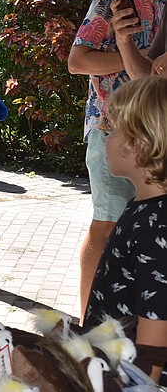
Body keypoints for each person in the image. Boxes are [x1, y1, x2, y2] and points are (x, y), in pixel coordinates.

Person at [68, 0, 167, 321]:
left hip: (155, 133)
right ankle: (89, 321)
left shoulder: (165, 1)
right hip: (113, 134)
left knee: (144, 232)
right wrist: (134, 61)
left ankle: (135, 322)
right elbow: (77, 61)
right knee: (107, 226)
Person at [83, 76, 167, 383]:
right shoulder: (145, 207)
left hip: (128, 378)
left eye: (115, 128)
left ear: (140, 144)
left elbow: (154, 339)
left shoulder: (157, 226)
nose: (106, 134)